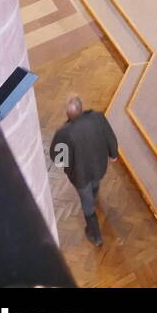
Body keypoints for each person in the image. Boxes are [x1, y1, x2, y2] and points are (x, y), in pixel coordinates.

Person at [50, 96, 118, 247]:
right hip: (99, 167)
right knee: (95, 184)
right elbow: (110, 136)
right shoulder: (98, 118)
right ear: (81, 108)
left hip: (80, 176)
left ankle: (95, 235)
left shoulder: (63, 133)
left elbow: (58, 159)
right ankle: (94, 194)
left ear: (67, 114)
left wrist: (68, 167)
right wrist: (113, 154)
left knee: (87, 204)